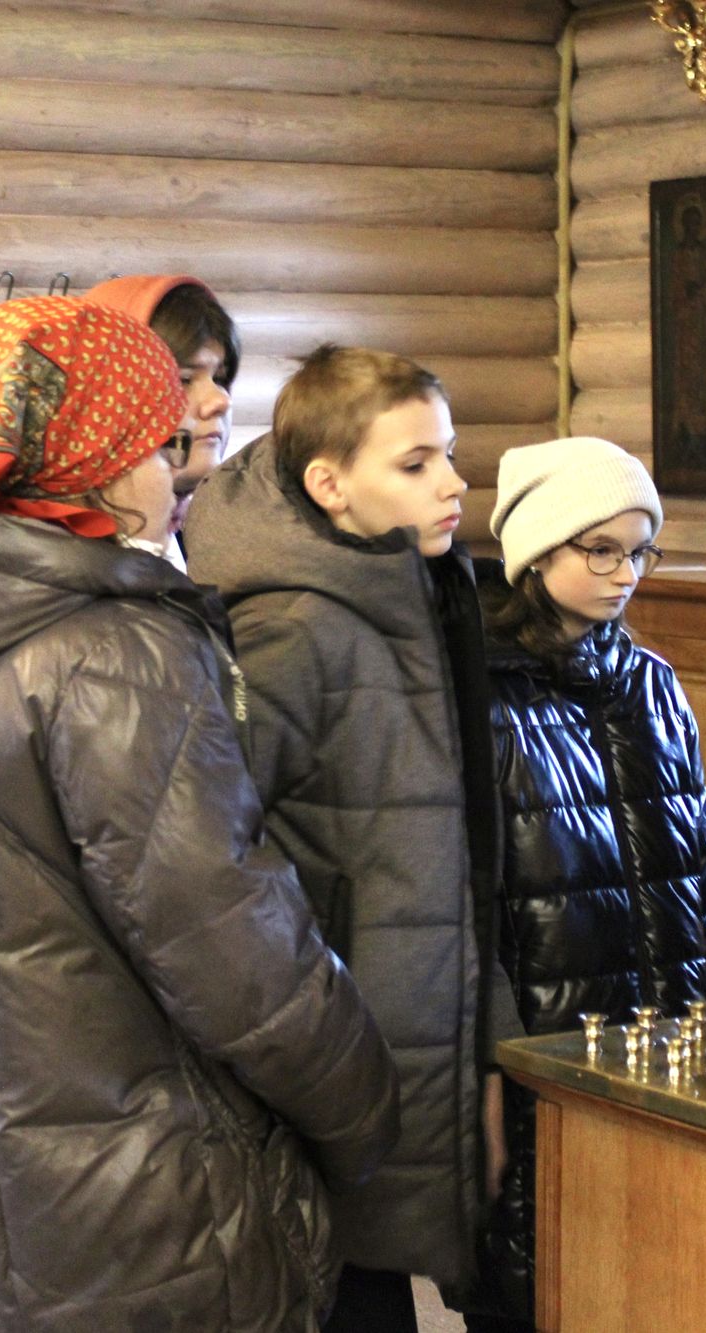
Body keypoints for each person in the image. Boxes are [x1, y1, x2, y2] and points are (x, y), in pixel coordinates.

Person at [0, 298, 398, 1331]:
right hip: (127, 1218)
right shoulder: (110, 653)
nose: (174, 471)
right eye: (152, 446)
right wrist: (365, 1106)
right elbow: (232, 949)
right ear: (86, 463)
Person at [183, 345, 521, 1332]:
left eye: (448, 455)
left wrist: (482, 1059)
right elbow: (216, 863)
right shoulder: (292, 631)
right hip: (326, 1078)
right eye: (414, 463)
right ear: (329, 485)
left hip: (406, 1047)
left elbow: (451, 860)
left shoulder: (411, 597)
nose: (452, 483)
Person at [474, 437, 706, 1325]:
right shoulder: (483, 698)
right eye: (601, 550)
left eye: (640, 551)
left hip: (667, 1043)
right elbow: (475, 905)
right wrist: (490, 1070)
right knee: (540, 1277)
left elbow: (698, 882)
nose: (626, 574)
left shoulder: (654, 686)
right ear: (538, 550)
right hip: (545, 1051)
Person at [82, 273, 239, 565]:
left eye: (220, 379)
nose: (221, 401)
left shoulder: (205, 537)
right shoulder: (66, 558)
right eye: (184, 380)